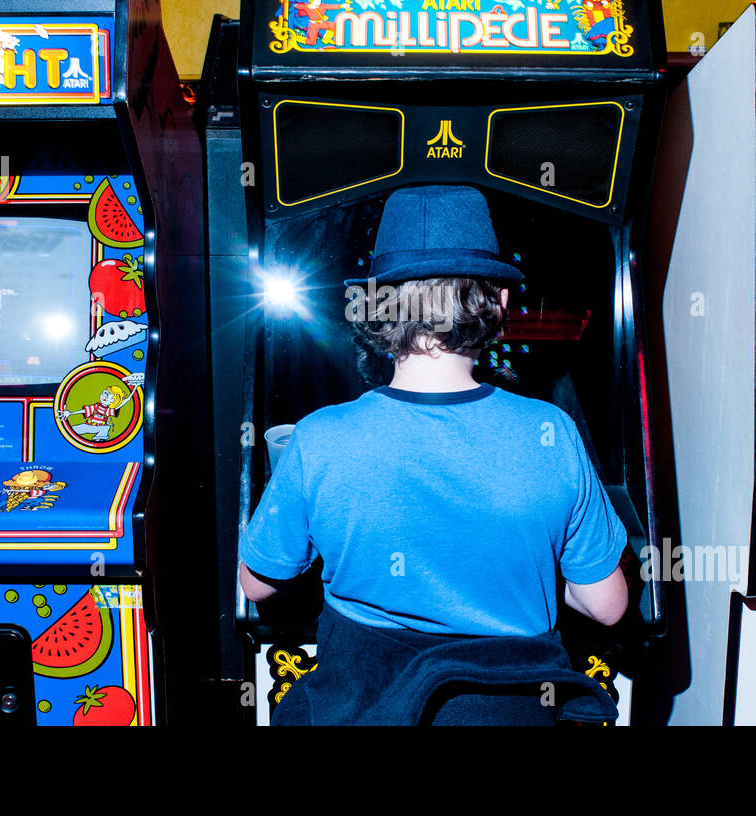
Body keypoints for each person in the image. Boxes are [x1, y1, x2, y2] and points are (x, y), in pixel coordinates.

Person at [239, 185, 629, 725]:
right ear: (500, 302)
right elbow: (606, 607)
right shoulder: (551, 432)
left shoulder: (320, 438)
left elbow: (258, 581)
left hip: (364, 707)